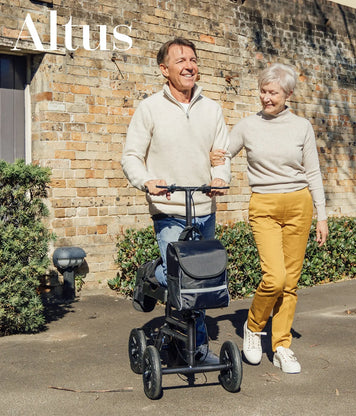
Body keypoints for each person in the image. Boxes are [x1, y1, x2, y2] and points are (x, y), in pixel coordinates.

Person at [211, 63, 328, 373]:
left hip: (299, 205)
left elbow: (313, 171)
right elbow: (222, 153)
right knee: (274, 278)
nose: (266, 97)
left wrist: (322, 216)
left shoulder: (302, 126)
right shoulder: (248, 126)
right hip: (263, 205)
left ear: (287, 94)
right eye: (263, 91)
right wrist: (215, 169)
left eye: (272, 92)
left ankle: (281, 347)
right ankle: (253, 325)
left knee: (290, 283)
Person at [122, 38, 231, 363]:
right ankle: (153, 275)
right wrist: (146, 181)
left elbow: (221, 155)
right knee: (180, 277)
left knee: (200, 281)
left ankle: (196, 349)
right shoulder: (150, 108)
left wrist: (221, 176)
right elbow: (131, 156)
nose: (189, 65)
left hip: (203, 208)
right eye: (181, 60)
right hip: (168, 209)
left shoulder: (212, 109)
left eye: (193, 59)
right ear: (164, 69)